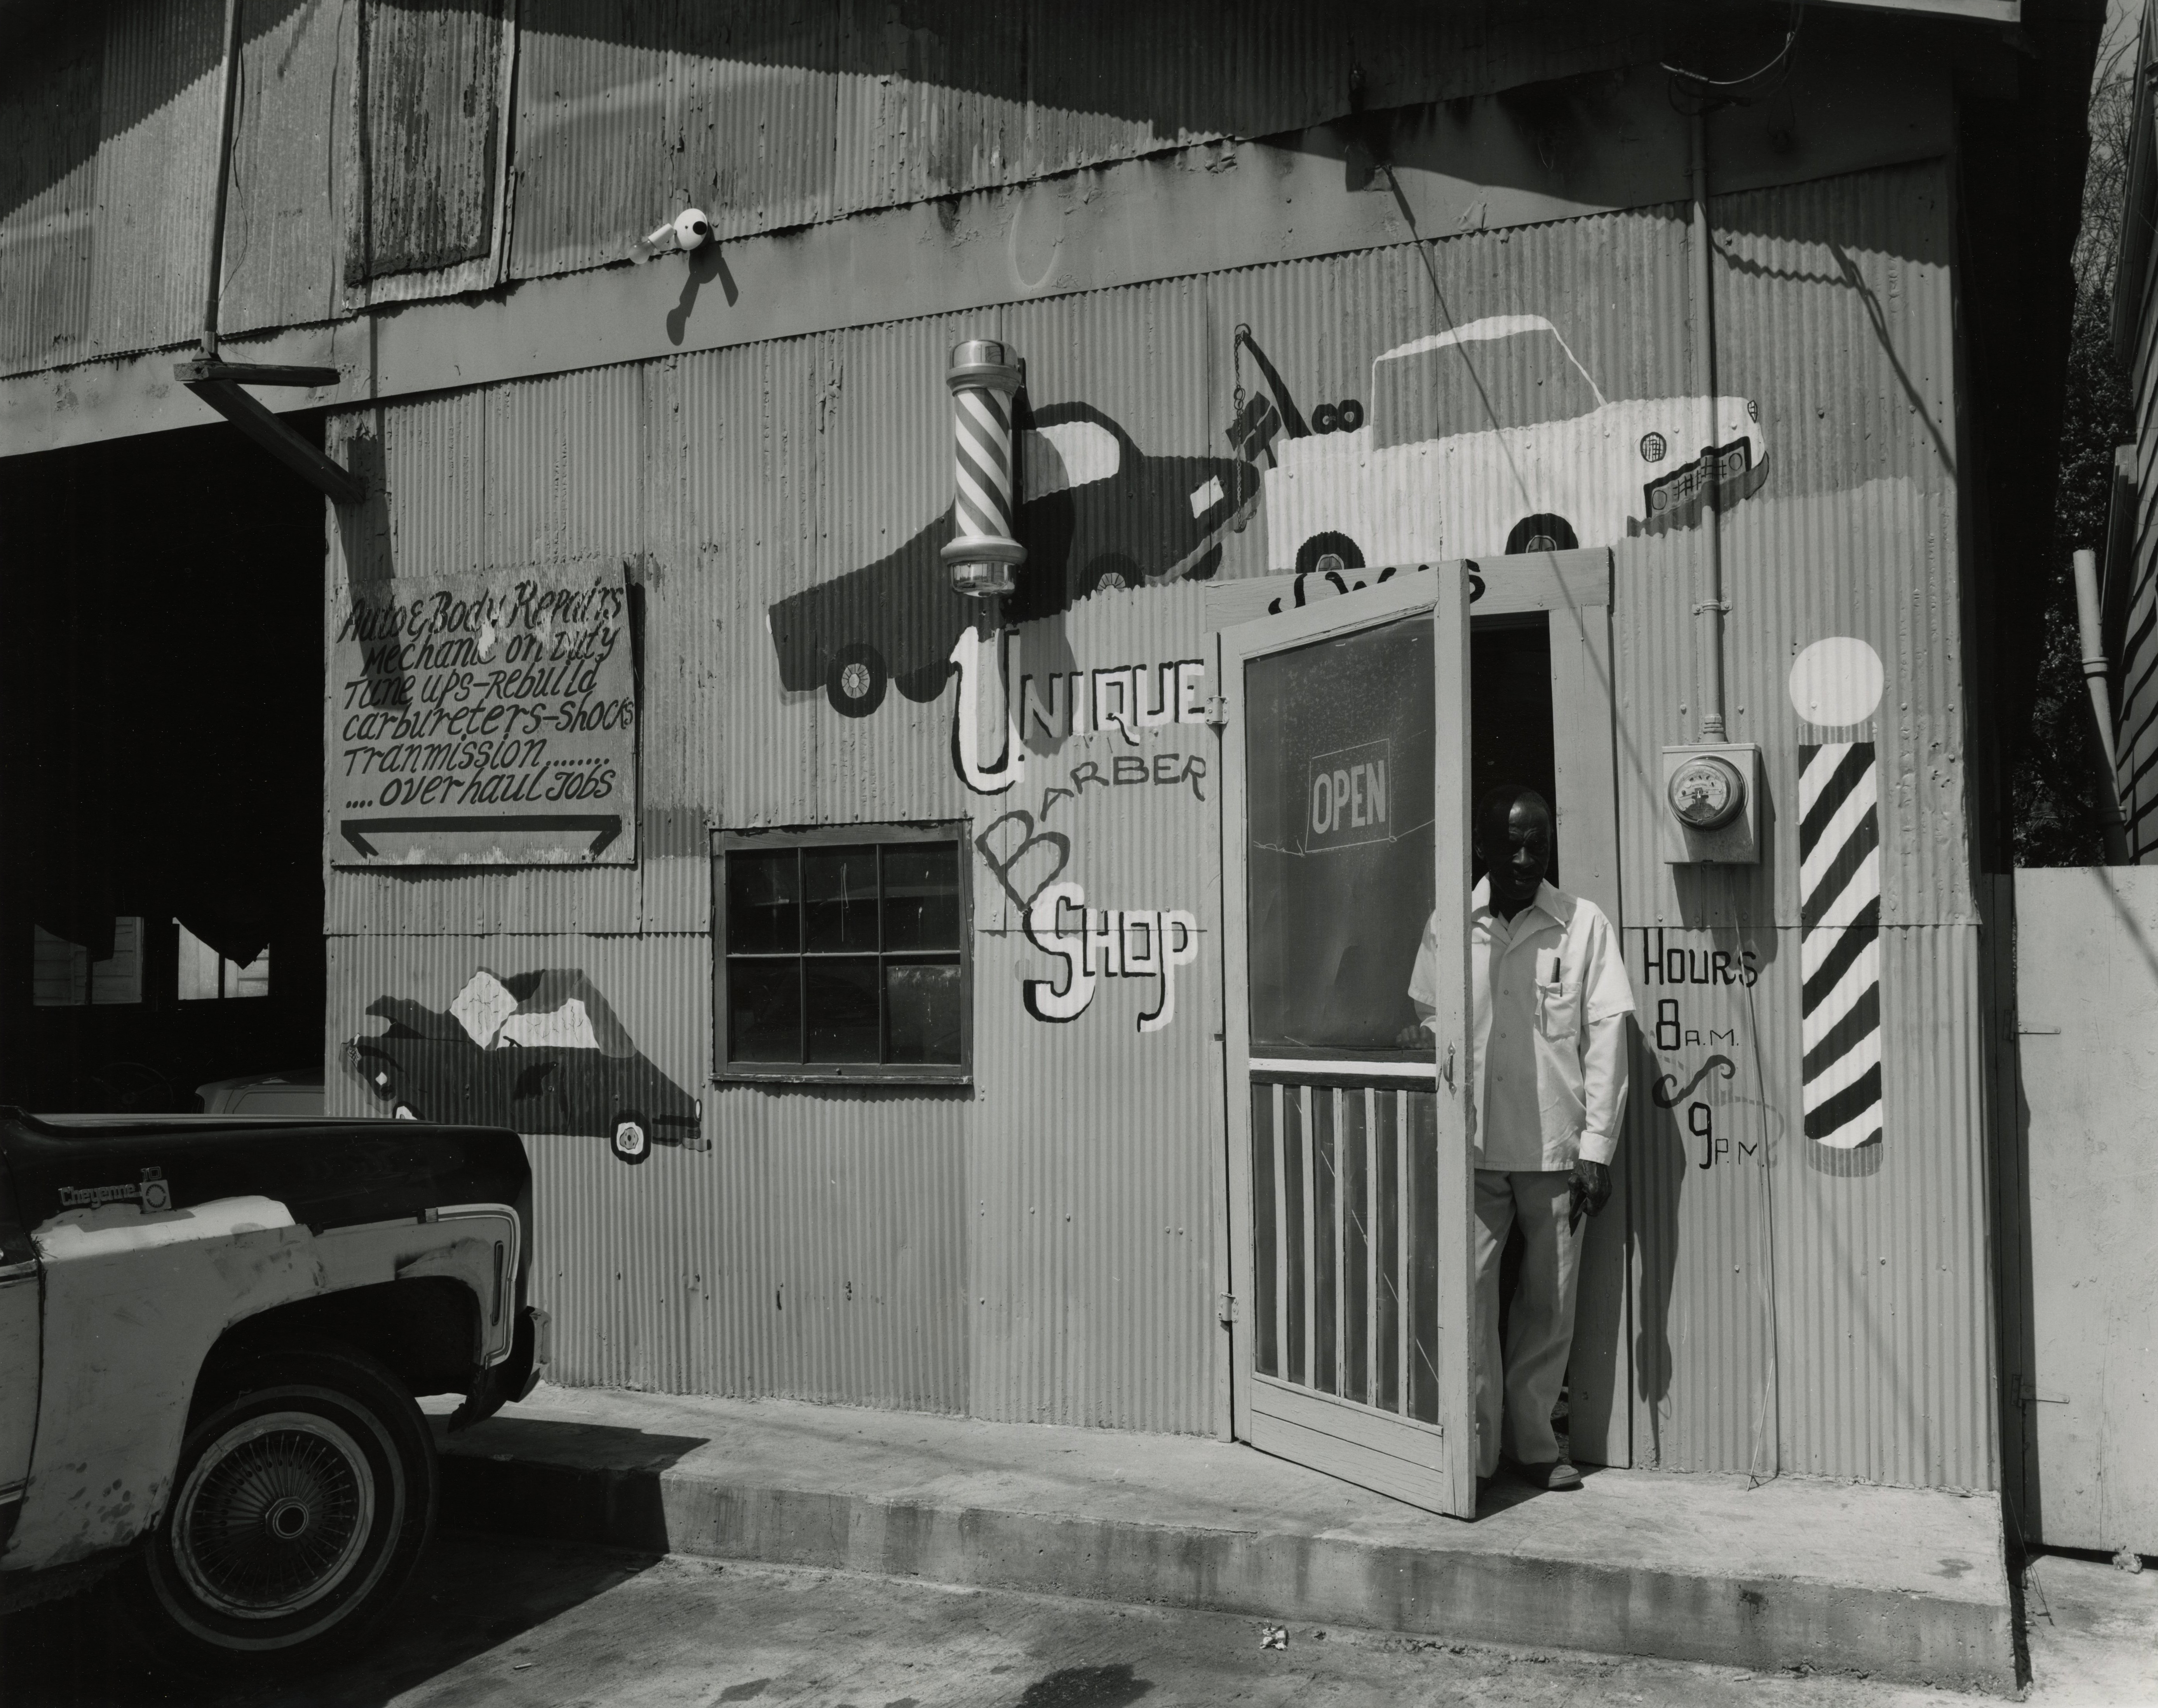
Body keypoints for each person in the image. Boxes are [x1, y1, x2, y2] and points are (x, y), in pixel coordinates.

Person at [1400, 784, 1633, 1494]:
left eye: (1538, 842)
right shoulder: (1453, 919)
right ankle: (1472, 1453)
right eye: (1511, 843)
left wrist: (1597, 1149)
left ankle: (1534, 1445)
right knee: (1468, 1301)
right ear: (1483, 848)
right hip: (1470, 1151)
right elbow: (1428, 1020)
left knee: (1549, 1303)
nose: (1526, 855)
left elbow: (1607, 1037)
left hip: (1556, 1152)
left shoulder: (1582, 925)